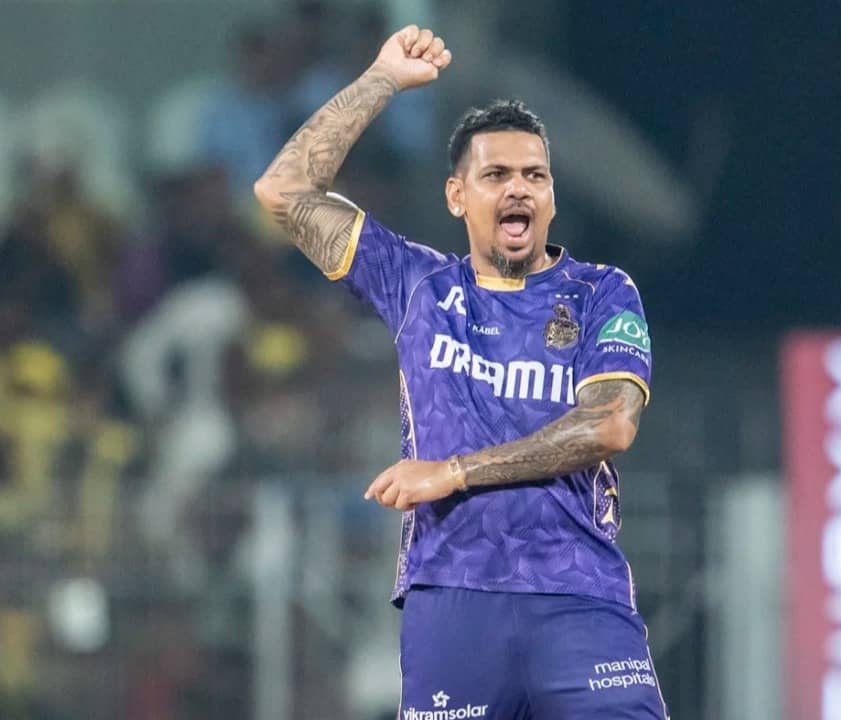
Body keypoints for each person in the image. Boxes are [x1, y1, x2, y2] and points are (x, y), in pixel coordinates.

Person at [253, 25, 668, 720]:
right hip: (452, 595)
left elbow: (610, 424)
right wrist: (381, 80)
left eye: (535, 176)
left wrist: (454, 472)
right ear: (456, 195)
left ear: (552, 197)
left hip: (579, 594)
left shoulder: (601, 292)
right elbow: (282, 190)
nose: (518, 190)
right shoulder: (416, 284)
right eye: (496, 175)